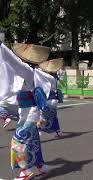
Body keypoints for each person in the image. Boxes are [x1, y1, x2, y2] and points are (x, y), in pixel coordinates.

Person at [0, 43, 52, 179]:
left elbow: (11, 60)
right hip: (27, 112)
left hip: (31, 113)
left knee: (18, 142)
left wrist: (1, 46)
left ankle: (25, 172)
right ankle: (41, 167)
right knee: (33, 140)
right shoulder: (29, 72)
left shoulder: (27, 70)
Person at [38, 58, 64, 138]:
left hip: (48, 98)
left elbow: (38, 72)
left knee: (41, 116)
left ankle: (38, 131)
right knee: (53, 116)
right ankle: (58, 132)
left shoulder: (47, 77)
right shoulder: (55, 77)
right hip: (54, 99)